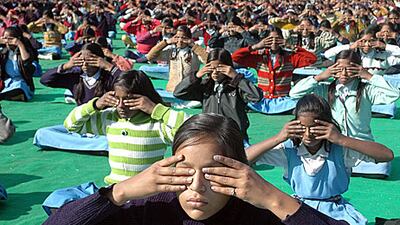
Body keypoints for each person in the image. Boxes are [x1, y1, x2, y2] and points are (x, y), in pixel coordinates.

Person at [43, 113, 349, 225]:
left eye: (214, 172)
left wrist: (275, 199)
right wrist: (117, 193)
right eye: (184, 170)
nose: (196, 186)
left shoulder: (260, 215)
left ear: (239, 172)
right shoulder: (150, 208)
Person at [246, 94, 394, 225]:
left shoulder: (340, 150)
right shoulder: (289, 150)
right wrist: (279, 137)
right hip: (297, 208)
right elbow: (244, 158)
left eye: (315, 128)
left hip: (335, 210)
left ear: (328, 125)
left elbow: (387, 155)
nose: (308, 134)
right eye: (302, 128)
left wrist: (341, 139)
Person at [63, 70, 189, 184]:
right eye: (117, 99)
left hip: (146, 191)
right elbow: (70, 125)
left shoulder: (157, 125)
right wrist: (95, 104)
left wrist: (156, 109)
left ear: (144, 98)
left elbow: (191, 128)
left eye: (129, 100)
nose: (121, 105)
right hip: (115, 190)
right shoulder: (110, 119)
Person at [290, 50, 399, 178]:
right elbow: (294, 94)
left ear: (358, 69)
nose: (344, 73)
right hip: (332, 147)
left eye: (350, 69)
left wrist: (368, 76)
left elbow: (394, 94)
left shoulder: (366, 90)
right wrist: (320, 76)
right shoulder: (325, 89)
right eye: (339, 68)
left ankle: (343, 168)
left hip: (361, 146)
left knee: (383, 166)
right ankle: (345, 167)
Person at [33, 43, 122, 152]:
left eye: (89, 60)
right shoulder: (76, 77)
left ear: (99, 59)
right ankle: (94, 146)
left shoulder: (110, 77)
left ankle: (91, 144)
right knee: (41, 134)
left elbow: (133, 83)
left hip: (104, 126)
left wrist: (109, 67)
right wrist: (66, 65)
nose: (85, 64)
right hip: (80, 125)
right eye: (81, 60)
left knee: (109, 140)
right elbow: (45, 80)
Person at [174, 48, 262, 146]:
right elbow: (178, 93)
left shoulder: (237, 87)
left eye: (220, 68)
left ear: (228, 67)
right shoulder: (205, 87)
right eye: (211, 68)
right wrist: (196, 76)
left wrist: (237, 77)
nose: (215, 72)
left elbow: (257, 97)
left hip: (234, 136)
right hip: (210, 135)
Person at [232, 26, 317, 114]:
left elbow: (312, 59)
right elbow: (235, 57)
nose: (274, 42)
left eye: (277, 39)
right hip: (262, 101)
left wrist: (291, 46)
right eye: (270, 39)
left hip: (284, 102)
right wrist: (256, 46)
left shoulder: (290, 57)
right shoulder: (258, 57)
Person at [145, 25, 208, 107]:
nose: (180, 40)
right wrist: (166, 42)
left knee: (197, 102)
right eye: (177, 37)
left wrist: (193, 45)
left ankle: (175, 103)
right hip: (171, 91)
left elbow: (208, 60)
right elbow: (150, 56)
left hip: (188, 91)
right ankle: (178, 103)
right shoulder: (171, 51)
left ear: (188, 39)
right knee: (150, 93)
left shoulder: (194, 53)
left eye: (183, 38)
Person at [0, 26, 35, 101]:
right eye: (5, 38)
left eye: (10, 39)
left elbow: (27, 62)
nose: (7, 41)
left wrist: (20, 45)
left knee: (19, 87)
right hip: (7, 82)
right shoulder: (4, 52)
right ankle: (9, 96)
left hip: (22, 83)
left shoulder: (25, 50)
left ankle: (6, 96)